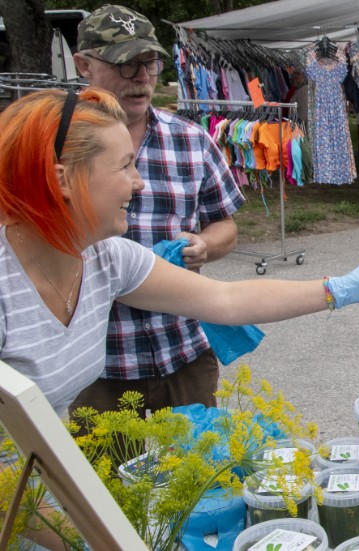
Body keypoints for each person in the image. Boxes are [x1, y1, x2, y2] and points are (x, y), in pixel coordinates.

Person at [0, 88, 359, 421]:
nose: (138, 184)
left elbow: (223, 300)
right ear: (63, 179)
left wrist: (337, 289)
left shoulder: (108, 259)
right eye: (124, 167)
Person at [69, 5, 246, 416]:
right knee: (100, 480)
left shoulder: (191, 140)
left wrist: (204, 244)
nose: (143, 79)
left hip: (182, 347)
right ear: (84, 65)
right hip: (99, 361)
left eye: (149, 63)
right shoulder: (57, 143)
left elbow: (226, 225)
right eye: (126, 66)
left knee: (199, 475)